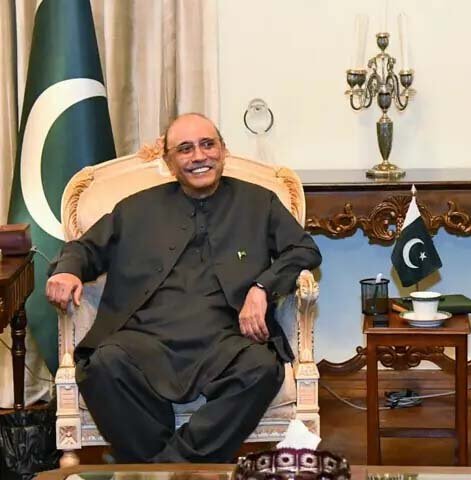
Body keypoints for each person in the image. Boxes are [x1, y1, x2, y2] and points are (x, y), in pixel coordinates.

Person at [46, 113, 322, 463]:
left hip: (226, 336)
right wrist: (68, 271)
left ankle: (162, 469)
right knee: (103, 365)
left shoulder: (259, 202)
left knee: (262, 369)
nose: (199, 156)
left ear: (223, 150)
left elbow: (304, 250)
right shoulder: (136, 208)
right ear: (169, 162)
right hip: (146, 336)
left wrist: (262, 287)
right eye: (185, 149)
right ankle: (182, 468)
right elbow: (84, 249)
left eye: (208, 145)